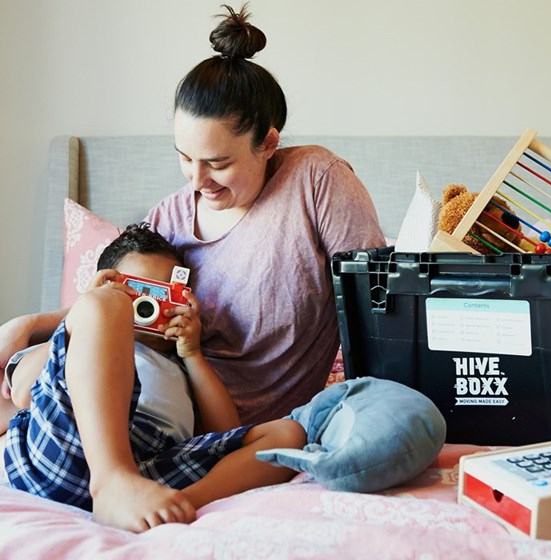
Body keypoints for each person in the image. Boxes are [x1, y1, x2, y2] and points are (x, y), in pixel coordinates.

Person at [0, 4, 385, 431]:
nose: (198, 179)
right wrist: (30, 323)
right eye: (185, 157)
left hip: (254, 429)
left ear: (269, 143)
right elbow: (121, 308)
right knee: (32, 379)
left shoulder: (315, 181)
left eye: (218, 163)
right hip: (148, 405)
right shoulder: (167, 218)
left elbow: (377, 306)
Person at [3, 223, 307, 532]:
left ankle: (174, 502)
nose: (148, 306)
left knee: (288, 436)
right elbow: (23, 392)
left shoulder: (180, 363)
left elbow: (226, 431)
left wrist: (192, 353)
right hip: (67, 444)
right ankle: (112, 480)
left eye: (163, 296)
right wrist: (85, 309)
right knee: (104, 310)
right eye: (135, 293)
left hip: (152, 467)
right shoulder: (79, 332)